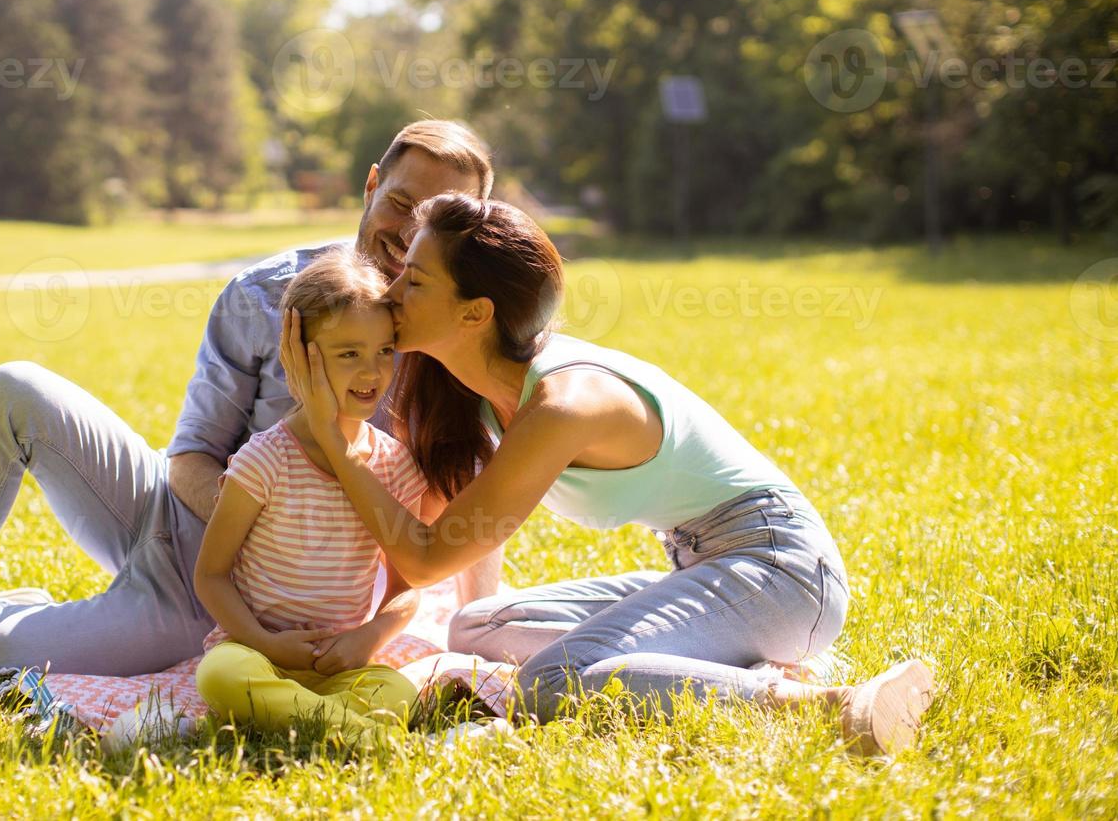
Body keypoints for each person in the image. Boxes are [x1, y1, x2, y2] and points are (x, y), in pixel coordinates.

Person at [0, 121, 503, 697]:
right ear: (369, 186)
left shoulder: (457, 342)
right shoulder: (264, 293)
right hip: (184, 524)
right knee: (16, 389)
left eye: (436, 218)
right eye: (398, 201)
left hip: (214, 604)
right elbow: (190, 457)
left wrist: (478, 651)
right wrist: (254, 523)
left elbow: (467, 514)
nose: (408, 231)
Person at [280, 193, 936, 757]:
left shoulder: (565, 402)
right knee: (474, 627)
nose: (392, 296)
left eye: (415, 282)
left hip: (782, 572)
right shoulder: (483, 389)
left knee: (551, 683)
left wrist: (332, 441)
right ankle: (709, 661)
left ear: (475, 313)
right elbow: (440, 544)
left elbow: (425, 559)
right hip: (706, 567)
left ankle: (830, 703)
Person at [193, 248, 435, 746]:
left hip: (337, 666)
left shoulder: (394, 465)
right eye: (349, 354)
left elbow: (406, 588)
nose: (372, 373)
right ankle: (359, 736)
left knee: (398, 691)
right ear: (297, 356)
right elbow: (211, 575)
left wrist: (369, 637)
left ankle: (309, 720)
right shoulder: (265, 460)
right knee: (220, 677)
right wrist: (266, 644)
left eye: (384, 351)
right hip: (253, 653)